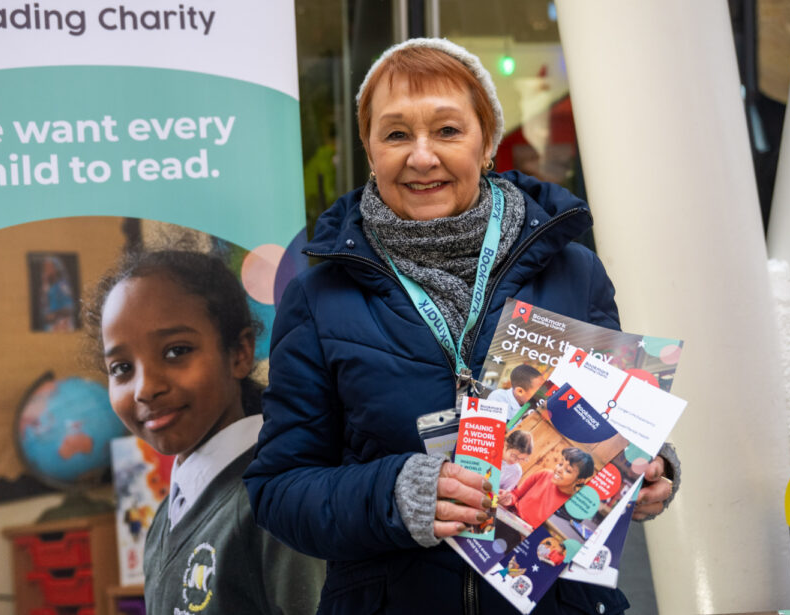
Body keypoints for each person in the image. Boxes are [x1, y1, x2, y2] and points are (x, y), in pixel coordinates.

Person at [244, 37, 678, 614]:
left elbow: (611, 414)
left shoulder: (573, 271)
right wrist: (397, 495)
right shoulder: (319, 299)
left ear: (488, 142)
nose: (422, 157)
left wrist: (647, 468)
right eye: (396, 134)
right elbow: (277, 490)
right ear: (369, 150)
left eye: (447, 131)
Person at [86, 250, 324, 615]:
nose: (144, 389)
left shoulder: (281, 501)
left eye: (175, 351)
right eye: (121, 367)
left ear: (239, 354)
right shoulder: (169, 515)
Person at [498, 447, 595, 528]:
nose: (559, 470)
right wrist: (508, 499)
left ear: (579, 480)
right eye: (560, 464)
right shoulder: (544, 474)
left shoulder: (572, 505)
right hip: (509, 518)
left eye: (568, 470)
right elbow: (516, 494)